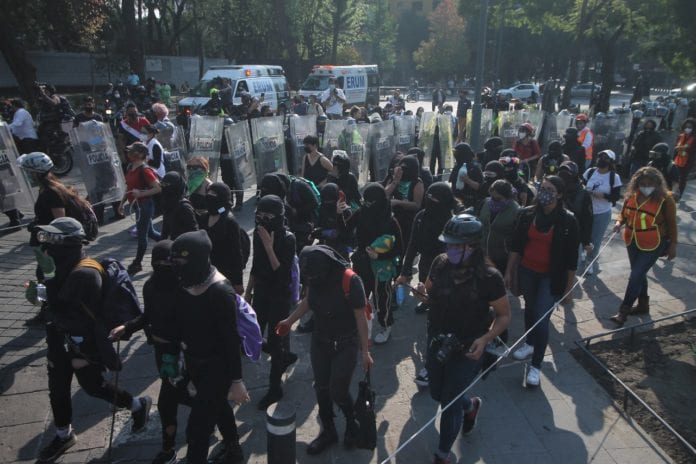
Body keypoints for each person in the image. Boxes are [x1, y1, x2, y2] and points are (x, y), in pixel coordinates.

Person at [27, 217, 150, 463]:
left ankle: (137, 404)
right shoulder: (58, 264)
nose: (48, 244)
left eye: (53, 239)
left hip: (80, 343)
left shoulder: (85, 273)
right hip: (58, 338)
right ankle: (64, 434)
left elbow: (72, 314)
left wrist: (80, 355)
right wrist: (42, 285)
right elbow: (56, 304)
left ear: (70, 243)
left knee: (94, 387)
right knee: (57, 389)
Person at [414, 214, 511, 464]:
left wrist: (486, 338)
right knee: (438, 392)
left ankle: (443, 454)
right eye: (449, 244)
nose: (451, 250)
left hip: (469, 346)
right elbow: (429, 290)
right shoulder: (440, 263)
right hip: (437, 338)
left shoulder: (490, 277)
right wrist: (423, 294)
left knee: (449, 401)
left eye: (457, 245)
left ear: (473, 246)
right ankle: (471, 406)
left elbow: (503, 316)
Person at [275, 245, 373, 455]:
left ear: (327, 268)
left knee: (338, 389)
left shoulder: (350, 281)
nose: (312, 281)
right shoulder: (313, 277)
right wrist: (289, 321)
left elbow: (361, 318)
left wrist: (365, 351)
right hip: (320, 341)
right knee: (321, 388)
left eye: (314, 277)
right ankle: (328, 431)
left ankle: (351, 422)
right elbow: (308, 301)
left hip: (346, 343)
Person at [165, 231, 249, 464]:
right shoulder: (185, 283)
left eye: (181, 262)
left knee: (197, 430)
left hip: (217, 366)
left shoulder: (220, 292)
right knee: (219, 407)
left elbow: (231, 340)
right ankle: (234, 450)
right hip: (194, 361)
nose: (176, 268)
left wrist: (237, 380)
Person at [507, 176, 579, 386]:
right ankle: (529, 344)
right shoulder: (527, 214)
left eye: (549, 189)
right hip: (528, 272)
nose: (543, 192)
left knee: (541, 318)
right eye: (542, 188)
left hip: (551, 277)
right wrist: (510, 271)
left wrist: (569, 288)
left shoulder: (568, 221)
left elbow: (571, 259)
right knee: (530, 309)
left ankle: (536, 366)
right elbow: (516, 246)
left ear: (559, 194)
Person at [245, 195, 298, 409]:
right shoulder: (259, 233)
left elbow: (283, 276)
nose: (263, 220)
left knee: (276, 341)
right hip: (262, 292)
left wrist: (269, 246)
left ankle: (275, 387)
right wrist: (248, 294)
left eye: (268, 216)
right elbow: (256, 266)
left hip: (279, 295)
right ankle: (283, 355)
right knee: (253, 334)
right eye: (260, 215)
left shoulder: (288, 239)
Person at [612, 168, 678, 325]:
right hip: (632, 240)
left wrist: (673, 245)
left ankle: (624, 310)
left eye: (650, 184)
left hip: (653, 243)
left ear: (657, 184)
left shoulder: (666, 199)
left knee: (635, 275)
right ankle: (643, 305)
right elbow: (623, 214)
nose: (646, 186)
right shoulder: (632, 196)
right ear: (637, 183)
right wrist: (618, 222)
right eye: (642, 183)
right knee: (639, 274)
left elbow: (672, 224)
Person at [396, 181, 455, 315]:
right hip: (425, 259)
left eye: (434, 199)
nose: (430, 201)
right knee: (423, 284)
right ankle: (426, 301)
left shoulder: (450, 223)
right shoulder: (421, 216)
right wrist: (405, 271)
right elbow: (412, 243)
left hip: (445, 262)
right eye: (429, 197)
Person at [118, 142, 162, 274]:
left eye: (133, 151)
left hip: (145, 206)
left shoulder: (145, 170)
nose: (129, 153)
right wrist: (121, 203)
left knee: (142, 235)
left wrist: (141, 194)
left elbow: (158, 188)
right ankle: (171, 243)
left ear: (141, 154)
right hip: (138, 206)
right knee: (150, 233)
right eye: (129, 151)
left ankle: (137, 263)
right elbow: (129, 188)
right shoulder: (131, 167)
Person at [582, 150, 622, 275]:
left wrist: (603, 195)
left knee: (595, 240)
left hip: (602, 212)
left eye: (605, 158)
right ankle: (581, 255)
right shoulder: (590, 172)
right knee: (582, 236)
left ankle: (590, 262)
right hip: (586, 211)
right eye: (600, 156)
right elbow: (581, 185)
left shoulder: (614, 177)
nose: (601, 159)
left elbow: (616, 196)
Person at [202, 182, 246, 294]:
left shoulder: (229, 222)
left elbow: (236, 253)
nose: (209, 196)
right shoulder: (203, 218)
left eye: (213, 194)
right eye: (208, 193)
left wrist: (238, 281)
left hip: (225, 275)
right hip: (207, 274)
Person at [558, 161, 594, 271]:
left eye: (567, 172)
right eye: (561, 171)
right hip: (555, 234)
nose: (564, 175)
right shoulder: (555, 188)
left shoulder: (583, 194)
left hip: (574, 237)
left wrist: (586, 241)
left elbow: (588, 220)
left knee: (570, 267)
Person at [384, 154, 424, 252]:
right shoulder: (394, 178)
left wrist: (398, 202)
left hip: (408, 220)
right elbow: (384, 194)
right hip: (392, 218)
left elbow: (416, 205)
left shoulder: (417, 183)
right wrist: (395, 181)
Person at [479, 179, 520, 274]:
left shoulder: (516, 211)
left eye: (497, 199)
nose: (493, 201)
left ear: (508, 197)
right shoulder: (485, 203)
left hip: (503, 259)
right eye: (491, 197)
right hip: (483, 256)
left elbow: (516, 241)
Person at [312, 183, 354, 258]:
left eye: (330, 201)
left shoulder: (346, 211)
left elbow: (347, 234)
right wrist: (321, 232)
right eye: (326, 201)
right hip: (324, 247)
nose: (328, 204)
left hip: (341, 250)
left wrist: (339, 214)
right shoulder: (322, 208)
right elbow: (320, 226)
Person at [159, 171, 198, 240]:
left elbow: (194, 230)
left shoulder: (184, 207)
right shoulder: (167, 202)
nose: (164, 187)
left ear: (176, 185)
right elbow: (165, 227)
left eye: (167, 184)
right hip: (173, 243)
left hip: (184, 244)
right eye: (162, 184)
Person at [449, 142, 483, 208]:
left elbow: (478, 186)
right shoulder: (457, 166)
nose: (455, 155)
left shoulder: (474, 167)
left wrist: (467, 180)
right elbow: (452, 184)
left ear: (463, 153)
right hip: (456, 200)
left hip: (469, 202)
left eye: (457, 153)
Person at [673, 118, 696, 197]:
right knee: (674, 177)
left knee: (683, 178)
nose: (687, 128)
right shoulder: (681, 136)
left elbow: (693, 151)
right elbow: (676, 147)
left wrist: (684, 150)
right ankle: (673, 192)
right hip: (677, 159)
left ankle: (679, 194)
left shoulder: (694, 138)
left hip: (688, 161)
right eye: (686, 127)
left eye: (690, 127)